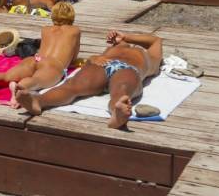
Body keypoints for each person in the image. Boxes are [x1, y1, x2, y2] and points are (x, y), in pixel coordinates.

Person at [16, 30, 163, 129]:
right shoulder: (119, 48)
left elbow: (156, 41)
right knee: (72, 85)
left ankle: (117, 114)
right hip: (102, 62)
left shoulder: (153, 58)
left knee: (121, 91)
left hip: (128, 68)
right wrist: (96, 56)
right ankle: (38, 101)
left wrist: (126, 37)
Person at [0, 2, 81, 107]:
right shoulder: (75, 30)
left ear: (53, 15)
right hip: (53, 64)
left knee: (6, 76)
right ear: (71, 16)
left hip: (35, 59)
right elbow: (73, 57)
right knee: (37, 80)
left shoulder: (46, 29)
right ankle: (18, 88)